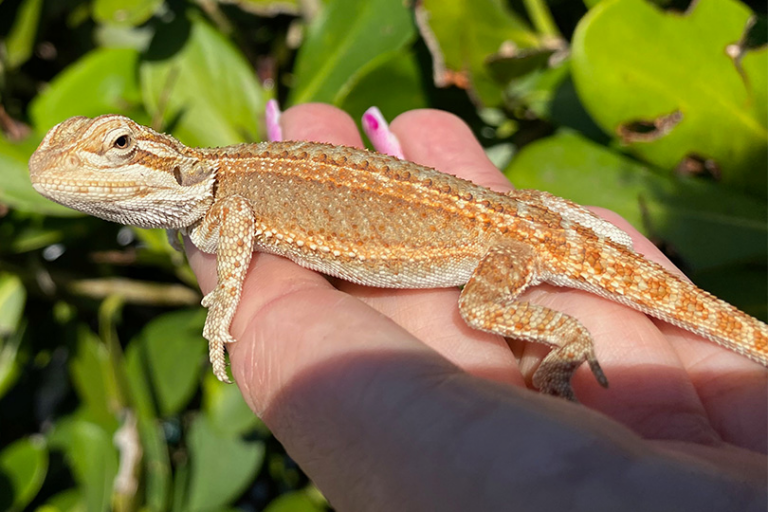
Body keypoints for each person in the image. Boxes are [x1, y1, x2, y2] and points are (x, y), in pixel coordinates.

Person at [186, 104, 766, 511]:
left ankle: (567, 341)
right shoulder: (219, 186)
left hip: (510, 241)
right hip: (523, 218)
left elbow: (236, 221)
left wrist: (224, 305)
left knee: (482, 311)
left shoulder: (221, 196)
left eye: (128, 158)